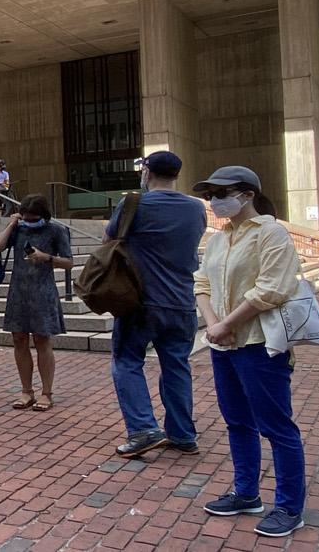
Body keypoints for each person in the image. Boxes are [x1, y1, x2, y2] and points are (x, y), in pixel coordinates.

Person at [191, 166, 309, 538]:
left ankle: (290, 507)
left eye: (221, 192)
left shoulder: (271, 234)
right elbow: (202, 282)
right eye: (210, 193)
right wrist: (213, 324)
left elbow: (272, 288)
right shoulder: (218, 239)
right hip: (223, 344)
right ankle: (246, 493)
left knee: (277, 426)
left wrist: (228, 325)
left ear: (247, 194)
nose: (214, 200)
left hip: (259, 344)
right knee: (237, 421)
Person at [107, 152, 209, 458]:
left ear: (147, 171)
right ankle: (182, 434)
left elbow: (109, 239)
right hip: (181, 300)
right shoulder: (195, 208)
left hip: (141, 301)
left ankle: (143, 430)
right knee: (177, 366)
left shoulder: (134, 203)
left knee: (126, 361)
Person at [0, 194, 72, 410]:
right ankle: (26, 391)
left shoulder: (56, 231)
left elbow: (69, 262)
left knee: (42, 340)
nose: (30, 222)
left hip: (43, 292)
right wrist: (12, 223)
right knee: (19, 339)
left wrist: (47, 258)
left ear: (44, 216)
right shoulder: (18, 228)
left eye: (34, 219)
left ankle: (47, 393)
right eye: (27, 218)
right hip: (18, 292)